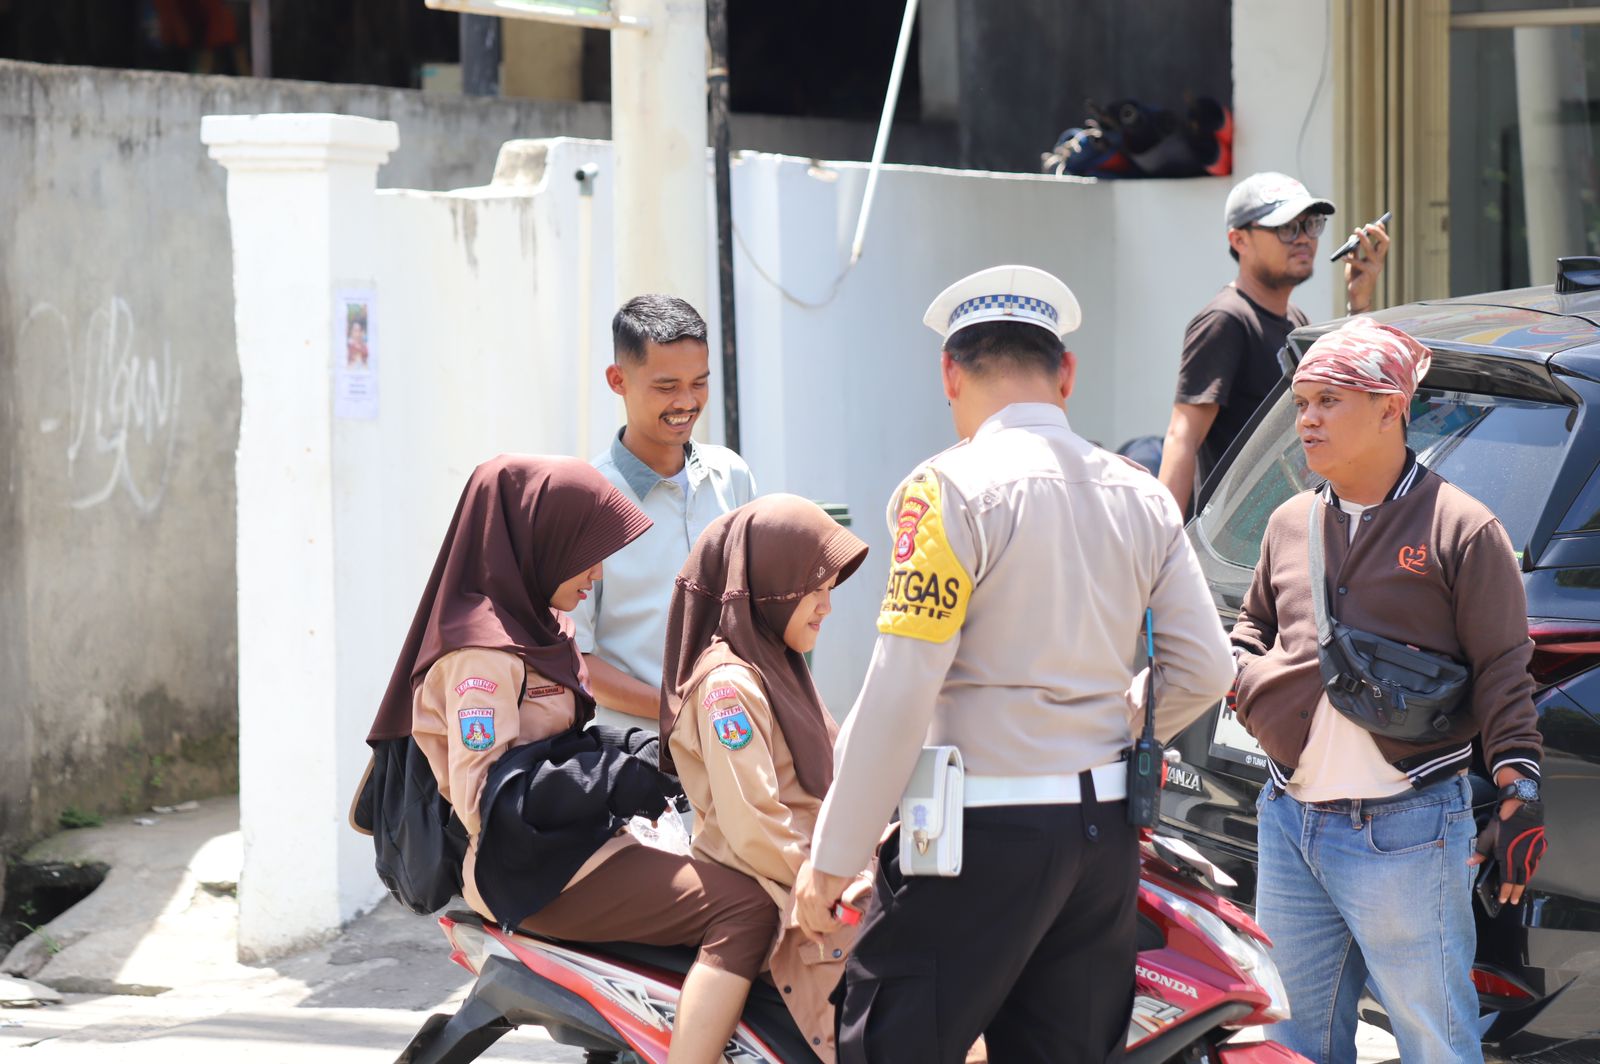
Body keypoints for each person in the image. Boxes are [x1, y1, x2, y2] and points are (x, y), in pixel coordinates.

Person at [792, 266, 1236, 1064]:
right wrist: (1122, 721)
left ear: (949, 374)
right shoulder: (1141, 494)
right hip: (1104, 836)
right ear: (1066, 374)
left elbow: (901, 687)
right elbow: (1206, 668)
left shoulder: (947, 490)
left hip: (977, 833)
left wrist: (834, 857)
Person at [365, 455, 778, 1064]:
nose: (597, 572)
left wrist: (642, 752)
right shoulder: (482, 654)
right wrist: (616, 774)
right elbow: (488, 799)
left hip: (578, 848)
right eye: (587, 553)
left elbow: (558, 745)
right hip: (532, 871)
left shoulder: (538, 626)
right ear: (541, 541)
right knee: (747, 908)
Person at [1228, 318, 1548, 1064]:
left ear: (1390, 408)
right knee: (1293, 1043)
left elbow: (1504, 667)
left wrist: (1521, 785)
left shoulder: (1463, 528)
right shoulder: (1288, 522)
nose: (1306, 420)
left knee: (1436, 1042)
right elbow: (1251, 627)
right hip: (1288, 821)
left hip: (1409, 828)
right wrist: (1247, 680)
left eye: (1328, 401)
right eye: (1301, 403)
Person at [659, 495, 872, 1061]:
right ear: (775, 586)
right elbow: (752, 822)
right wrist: (823, 880)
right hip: (778, 883)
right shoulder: (729, 686)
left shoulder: (777, 664)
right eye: (815, 589)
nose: (827, 606)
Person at [573, 295, 758, 729]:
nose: (686, 402)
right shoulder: (585, 501)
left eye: (699, 383)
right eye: (666, 386)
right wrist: (679, 708)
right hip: (635, 753)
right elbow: (574, 656)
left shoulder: (731, 475)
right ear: (617, 380)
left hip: (737, 741)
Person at [1158, 171, 1392, 514]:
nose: (1304, 239)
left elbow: (1347, 395)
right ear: (1239, 240)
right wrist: (1162, 536)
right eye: (1287, 228)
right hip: (1235, 537)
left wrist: (1358, 302)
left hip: (1287, 527)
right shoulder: (1225, 320)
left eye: (1311, 224)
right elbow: (1183, 436)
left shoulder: (1295, 321)